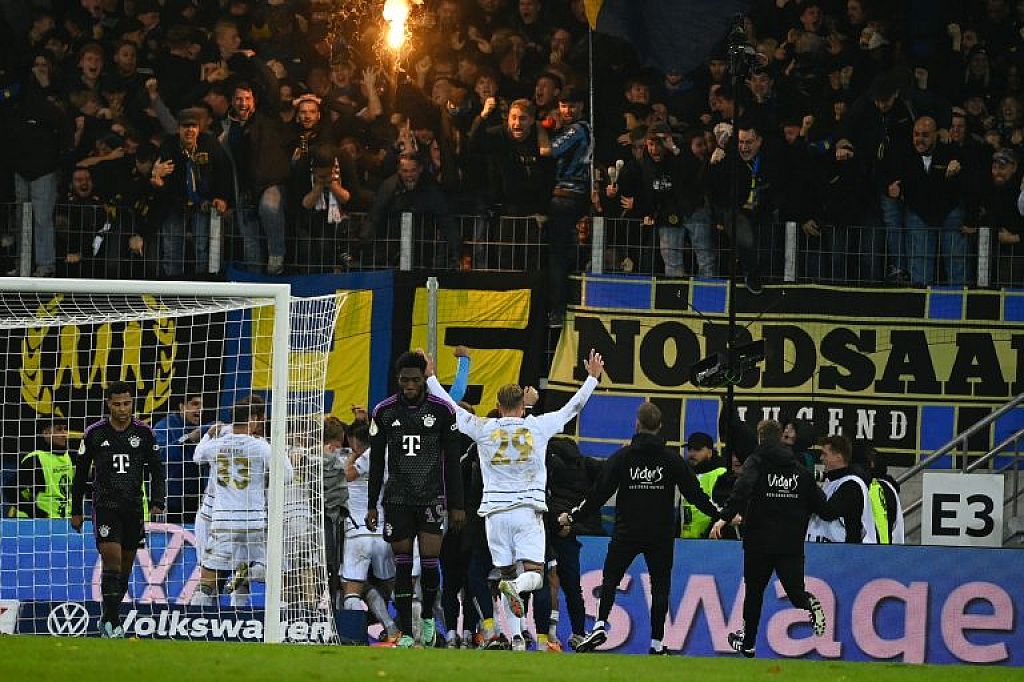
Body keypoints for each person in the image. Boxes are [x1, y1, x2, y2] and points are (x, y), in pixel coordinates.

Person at [425, 348, 605, 652]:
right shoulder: (538, 426)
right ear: (523, 407)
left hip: (494, 515)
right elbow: (573, 408)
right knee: (533, 575)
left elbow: (450, 407)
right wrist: (591, 379)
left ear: (497, 406)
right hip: (527, 512)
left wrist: (430, 377)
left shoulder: (484, 428)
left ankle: (518, 637)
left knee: (505, 574)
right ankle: (516, 594)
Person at [565, 402, 719, 655]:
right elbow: (695, 494)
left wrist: (574, 516)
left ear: (637, 424)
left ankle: (601, 623)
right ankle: (657, 644)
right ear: (659, 427)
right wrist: (722, 514)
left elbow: (598, 493)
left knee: (611, 578)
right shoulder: (671, 459)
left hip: (627, 531)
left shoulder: (624, 457)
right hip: (660, 533)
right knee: (660, 587)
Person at [366, 351, 466, 648]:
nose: (409, 385)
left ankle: (428, 620)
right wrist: (372, 503)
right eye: (404, 380)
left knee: (432, 561)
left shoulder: (443, 411)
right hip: (396, 498)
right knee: (403, 567)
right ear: (398, 380)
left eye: (415, 379)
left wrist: (457, 505)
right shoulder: (383, 411)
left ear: (424, 380)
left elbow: (453, 462)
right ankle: (407, 632)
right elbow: (375, 464)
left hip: (431, 497)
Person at [709, 419, 834, 658]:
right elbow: (823, 507)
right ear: (779, 438)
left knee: (754, 592)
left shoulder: (756, 461)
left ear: (759, 437)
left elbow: (742, 490)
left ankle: (748, 642)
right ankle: (809, 604)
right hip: (790, 542)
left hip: (759, 540)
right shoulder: (799, 469)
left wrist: (724, 518)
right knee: (795, 591)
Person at [70, 381, 166, 638]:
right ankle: (113, 624)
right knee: (111, 561)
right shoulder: (94, 433)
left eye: (127, 403)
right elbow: (80, 475)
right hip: (105, 506)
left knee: (124, 568)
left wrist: (158, 500)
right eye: (117, 404)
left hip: (134, 507)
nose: (122, 409)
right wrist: (76, 510)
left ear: (132, 402)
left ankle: (108, 618)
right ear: (108, 404)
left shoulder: (144, 433)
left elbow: (157, 470)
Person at [190, 395, 291, 607]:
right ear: (253, 419)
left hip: (222, 522)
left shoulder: (216, 444)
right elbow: (288, 475)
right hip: (253, 521)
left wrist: (208, 436)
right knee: (263, 567)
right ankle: (250, 574)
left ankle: (193, 625)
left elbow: (197, 457)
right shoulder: (261, 446)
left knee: (207, 582)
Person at [343, 422, 399, 643]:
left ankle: (353, 638)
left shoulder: (351, 464)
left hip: (357, 533)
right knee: (393, 588)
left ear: (354, 441)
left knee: (351, 590)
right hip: (383, 534)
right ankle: (403, 630)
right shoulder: (386, 458)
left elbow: (347, 475)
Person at [806, 435, 878, 544]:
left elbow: (828, 512)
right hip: (826, 552)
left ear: (838, 457)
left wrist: (808, 484)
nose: (821, 458)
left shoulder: (851, 485)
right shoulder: (831, 483)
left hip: (844, 554)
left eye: (825, 454)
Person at [153, 389, 207, 523]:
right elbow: (160, 456)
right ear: (182, 406)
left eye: (202, 405)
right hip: (171, 502)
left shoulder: (204, 430)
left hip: (197, 501)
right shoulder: (164, 427)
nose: (200, 409)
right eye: (195, 404)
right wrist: (187, 439)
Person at [8, 420, 74, 519]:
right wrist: (38, 514)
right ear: (46, 433)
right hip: (38, 523)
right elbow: (10, 490)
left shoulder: (67, 457)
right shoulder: (35, 459)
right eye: (59, 429)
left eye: (65, 429)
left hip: (63, 519)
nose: (65, 434)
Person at [679, 431, 727, 538]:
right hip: (685, 539)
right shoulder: (684, 473)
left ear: (710, 452)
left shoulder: (722, 473)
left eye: (697, 449)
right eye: (689, 449)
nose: (692, 453)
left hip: (713, 538)